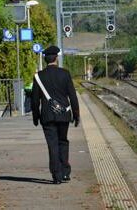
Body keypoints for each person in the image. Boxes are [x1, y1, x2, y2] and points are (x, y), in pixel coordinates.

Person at [31, 45, 80, 184]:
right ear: (56, 58)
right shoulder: (65, 74)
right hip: (64, 114)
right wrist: (76, 115)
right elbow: (72, 96)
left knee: (52, 145)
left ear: (46, 59)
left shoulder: (38, 77)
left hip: (47, 116)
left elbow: (35, 100)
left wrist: (36, 117)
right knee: (63, 141)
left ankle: (56, 175)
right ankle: (65, 172)